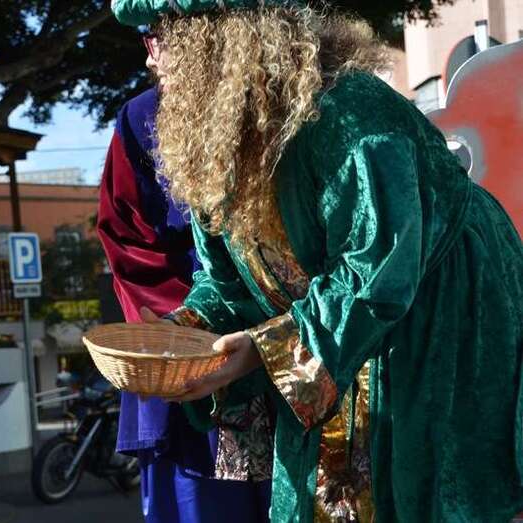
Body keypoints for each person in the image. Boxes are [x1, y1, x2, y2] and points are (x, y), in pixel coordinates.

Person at [111, 1, 523, 522]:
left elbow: (379, 266)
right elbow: (227, 282)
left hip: (438, 325)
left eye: (157, 37)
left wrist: (263, 349)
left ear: (214, 38)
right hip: (339, 344)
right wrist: (185, 331)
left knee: (433, 493)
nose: (150, 58)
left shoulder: (350, 112)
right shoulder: (223, 142)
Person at [97, 84, 271, 522]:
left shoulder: (292, 96)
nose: (153, 58)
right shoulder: (143, 116)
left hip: (296, 349)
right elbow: (126, 240)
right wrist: (187, 328)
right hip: (189, 358)